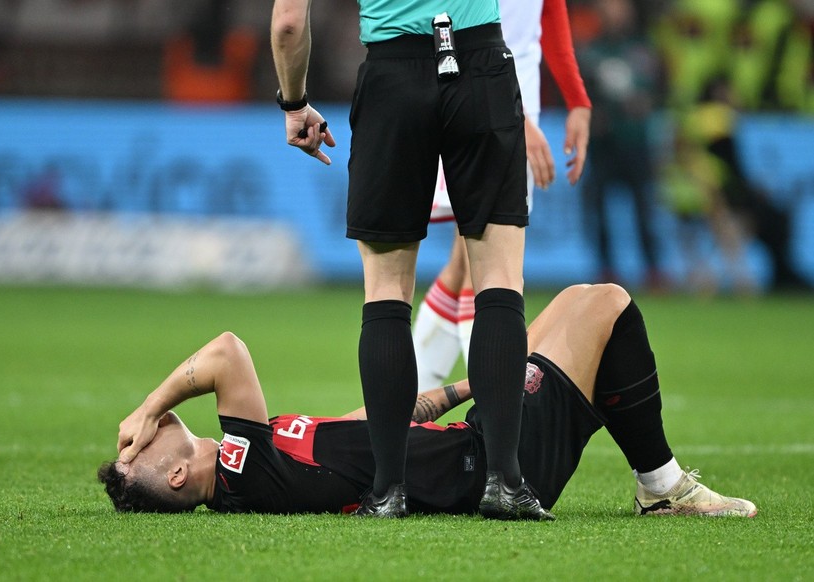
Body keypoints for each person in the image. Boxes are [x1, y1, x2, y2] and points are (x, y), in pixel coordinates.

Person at [100, 283, 757, 519]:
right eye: (140, 449)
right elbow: (225, 351)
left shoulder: (267, 462)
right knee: (607, 304)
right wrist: (147, 403)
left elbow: (369, 428)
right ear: (180, 474)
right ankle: (660, 485)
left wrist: (464, 387)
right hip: (498, 465)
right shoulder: (240, 469)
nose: (141, 432)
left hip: (477, 443)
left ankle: (656, 482)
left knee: (568, 303)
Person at [271, 1, 542, 518]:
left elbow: (287, 23)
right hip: (481, 63)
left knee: (387, 293)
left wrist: (294, 102)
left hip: (393, 76)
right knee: (501, 283)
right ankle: (506, 483)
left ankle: (386, 491)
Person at [413, 0, 592, 390]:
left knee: (466, 263)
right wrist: (515, 116)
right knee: (491, 271)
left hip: (511, 102)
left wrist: (577, 99)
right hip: (479, 101)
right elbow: (448, 21)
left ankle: (406, 410)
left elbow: (549, 11)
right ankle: (497, 417)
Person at [578, 0, 667, 289]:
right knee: (599, 208)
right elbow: (580, 93)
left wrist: (648, 104)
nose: (616, 13)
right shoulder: (591, 51)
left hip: (636, 142)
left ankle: (653, 270)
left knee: (644, 208)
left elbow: (661, 89)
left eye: (620, 7)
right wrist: (595, 113)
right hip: (604, 144)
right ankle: (606, 270)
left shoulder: (644, 48)